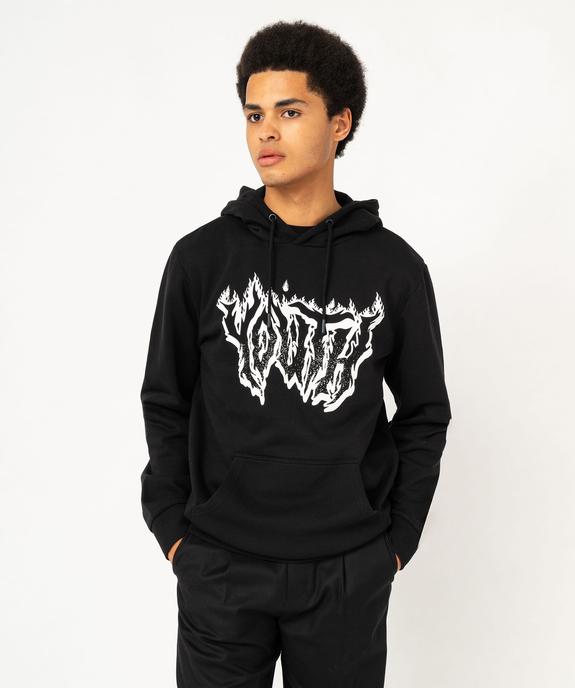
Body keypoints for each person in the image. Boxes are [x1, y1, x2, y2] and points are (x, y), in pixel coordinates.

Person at [139, 19, 452, 688]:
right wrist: (173, 529)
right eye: (254, 114)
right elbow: (166, 397)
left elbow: (425, 412)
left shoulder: (394, 269)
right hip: (220, 566)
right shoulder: (201, 259)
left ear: (340, 122)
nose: (265, 133)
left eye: (288, 111)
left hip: (346, 570)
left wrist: (396, 540)